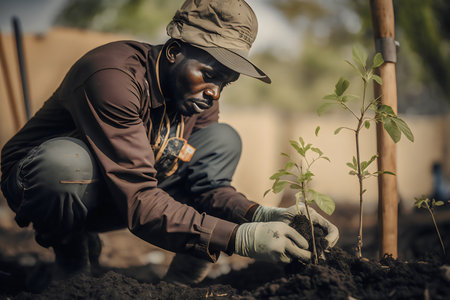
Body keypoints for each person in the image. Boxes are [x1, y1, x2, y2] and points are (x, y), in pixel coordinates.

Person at [0, 0, 339, 285]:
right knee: (64, 164)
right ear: (174, 51)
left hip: (127, 187)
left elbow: (208, 189)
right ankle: (71, 254)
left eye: (226, 82)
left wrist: (262, 215)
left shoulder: (199, 95)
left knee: (222, 139)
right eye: (209, 74)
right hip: (47, 185)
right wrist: (239, 237)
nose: (215, 92)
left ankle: (182, 282)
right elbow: (139, 199)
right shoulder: (113, 77)